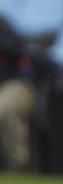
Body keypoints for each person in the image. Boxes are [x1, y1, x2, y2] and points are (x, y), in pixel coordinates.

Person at [0, 15, 37, 170]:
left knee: (3, 109)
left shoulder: (4, 28)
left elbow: (14, 47)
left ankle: (18, 165)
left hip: (15, 85)